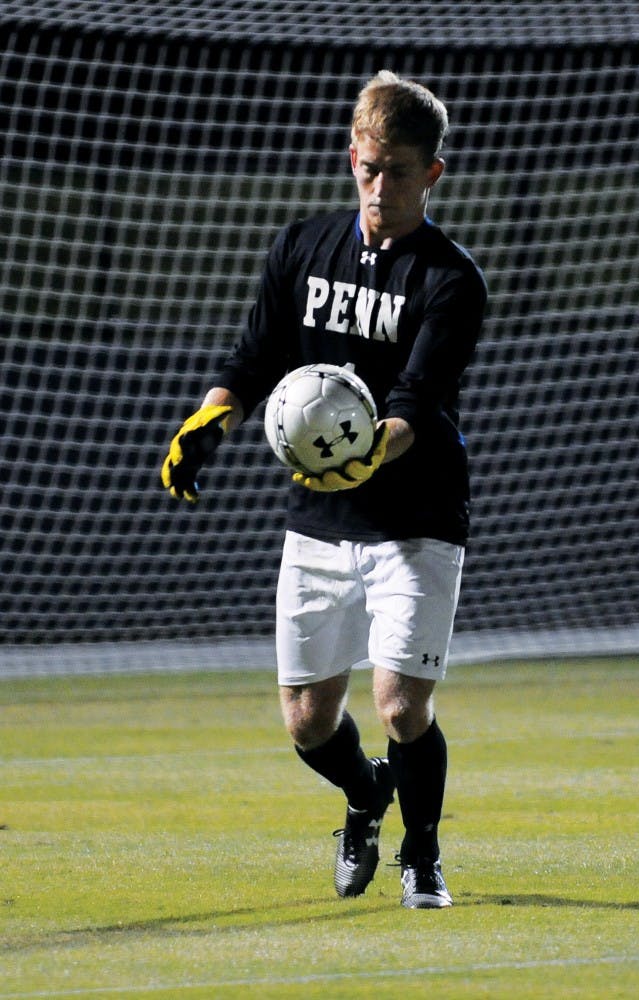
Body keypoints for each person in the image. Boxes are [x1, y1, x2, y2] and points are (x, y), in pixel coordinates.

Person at [161, 70, 487, 908]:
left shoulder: (451, 280)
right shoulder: (302, 246)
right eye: (370, 168)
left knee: (401, 704)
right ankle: (364, 794)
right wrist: (208, 422)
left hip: (415, 519)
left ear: (434, 175)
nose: (381, 187)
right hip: (318, 519)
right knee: (307, 724)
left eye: (401, 173)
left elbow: (416, 402)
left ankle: (422, 854)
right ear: (352, 157)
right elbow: (253, 359)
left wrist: (368, 455)